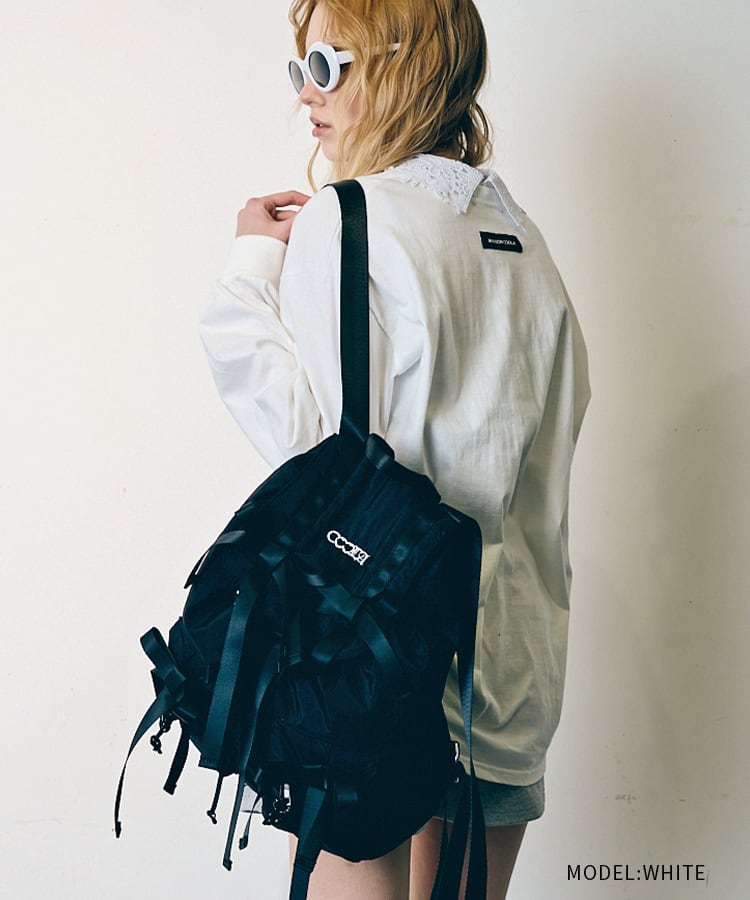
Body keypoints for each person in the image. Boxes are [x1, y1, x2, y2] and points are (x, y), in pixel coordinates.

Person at [199, 0, 590, 896]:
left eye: (329, 66)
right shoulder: (524, 237)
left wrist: (250, 269)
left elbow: (315, 464)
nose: (307, 95)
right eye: (300, 68)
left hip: (367, 665)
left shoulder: (348, 220)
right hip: (509, 662)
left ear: (404, 64)